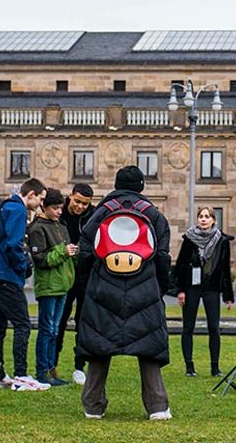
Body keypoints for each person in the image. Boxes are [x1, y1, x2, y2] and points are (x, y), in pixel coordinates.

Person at [76, 165, 174, 421]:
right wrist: (160, 286)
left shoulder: (99, 213)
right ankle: (158, 407)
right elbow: (163, 256)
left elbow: (85, 253)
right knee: (149, 348)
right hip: (145, 288)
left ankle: (93, 406)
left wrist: (87, 286)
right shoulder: (154, 215)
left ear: (116, 185)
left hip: (103, 288)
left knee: (99, 345)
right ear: (141, 186)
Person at [0, 177, 49, 391]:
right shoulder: (19, 210)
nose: (41, 204)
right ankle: (21, 375)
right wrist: (24, 266)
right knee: (22, 324)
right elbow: (13, 245)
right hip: (6, 274)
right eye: (40, 198)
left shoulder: (5, 206)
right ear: (31, 194)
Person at [175, 206, 234, 377]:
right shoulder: (189, 239)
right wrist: (180, 290)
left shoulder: (221, 241)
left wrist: (228, 296)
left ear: (213, 220)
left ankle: (215, 367)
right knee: (188, 328)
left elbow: (225, 269)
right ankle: (189, 367)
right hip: (191, 287)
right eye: (201, 216)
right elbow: (180, 265)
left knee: (214, 328)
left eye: (207, 216)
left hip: (211, 288)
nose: (203, 219)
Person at [28, 188, 76, 387]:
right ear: (44, 207)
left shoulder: (61, 227)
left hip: (62, 285)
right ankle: (42, 371)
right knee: (47, 329)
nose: (59, 212)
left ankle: (51, 369)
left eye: (60, 208)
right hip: (48, 286)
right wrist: (63, 252)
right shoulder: (37, 228)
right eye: (55, 208)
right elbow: (40, 259)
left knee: (55, 330)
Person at [56, 183, 95, 385]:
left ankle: (79, 366)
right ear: (70, 196)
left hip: (86, 276)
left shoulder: (93, 215)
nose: (80, 207)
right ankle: (51, 364)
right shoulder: (57, 211)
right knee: (59, 321)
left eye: (85, 204)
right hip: (63, 274)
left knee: (84, 322)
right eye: (77, 201)